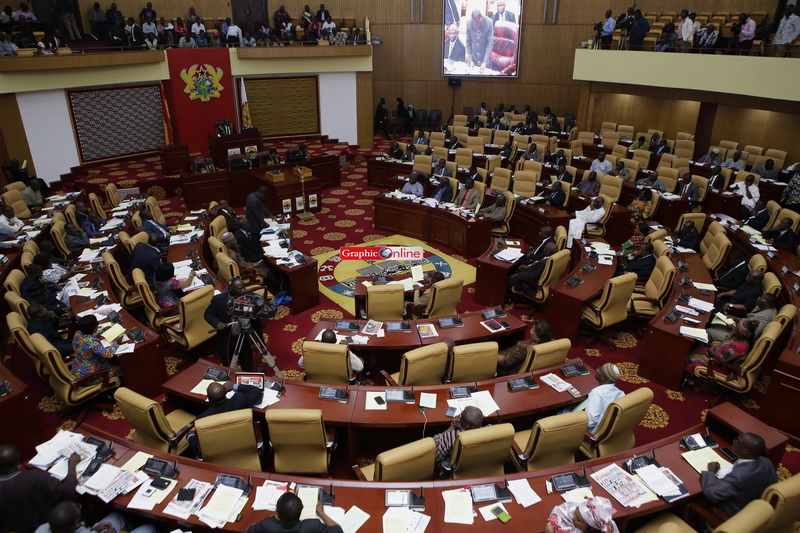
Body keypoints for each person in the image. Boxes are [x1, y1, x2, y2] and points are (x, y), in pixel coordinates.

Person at [0, 445, 80, 533]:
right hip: (42, 526)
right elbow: (67, 490)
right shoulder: (34, 477)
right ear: (18, 461)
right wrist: (72, 464)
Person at [700, 432, 778, 516]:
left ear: (746, 451)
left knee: (699, 497)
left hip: (735, 512)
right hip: (755, 504)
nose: (734, 441)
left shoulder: (738, 476)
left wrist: (711, 472)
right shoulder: (766, 462)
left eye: (738, 441)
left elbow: (712, 494)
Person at [204, 277, 261, 371]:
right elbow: (208, 314)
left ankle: (247, 376)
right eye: (240, 288)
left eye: (244, 287)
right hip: (227, 336)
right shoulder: (219, 300)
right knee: (227, 362)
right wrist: (217, 323)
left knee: (247, 360)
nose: (243, 290)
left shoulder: (249, 297)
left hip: (244, 335)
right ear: (231, 289)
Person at [247, 492, 343, 533]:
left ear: (277, 514)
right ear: (302, 508)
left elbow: (248, 530)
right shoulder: (312, 526)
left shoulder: (268, 525)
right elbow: (338, 530)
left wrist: (272, 519)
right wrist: (321, 513)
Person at [36, 501, 155, 533]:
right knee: (149, 528)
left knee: (117, 516)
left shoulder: (42, 529)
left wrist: (93, 529)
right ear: (77, 523)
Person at [707, 294, 777, 343]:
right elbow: (750, 320)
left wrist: (735, 328)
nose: (758, 299)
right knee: (716, 325)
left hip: (739, 339)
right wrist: (735, 318)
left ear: (767, 304)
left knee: (708, 331)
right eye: (759, 297)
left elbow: (751, 335)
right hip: (739, 330)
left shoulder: (764, 317)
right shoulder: (769, 308)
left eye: (761, 298)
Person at [432, 405, 484, 471]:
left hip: (457, 468)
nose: (458, 418)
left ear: (467, 425)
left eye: (460, 417)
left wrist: (451, 427)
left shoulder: (452, 436)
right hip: (479, 466)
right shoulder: (490, 432)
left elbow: (433, 450)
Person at [72, 315, 121, 381]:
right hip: (90, 377)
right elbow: (108, 354)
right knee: (121, 367)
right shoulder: (92, 341)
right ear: (95, 328)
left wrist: (102, 331)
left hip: (78, 370)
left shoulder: (78, 333)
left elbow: (89, 334)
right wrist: (116, 343)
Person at [299, 328, 364, 376]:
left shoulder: (310, 349)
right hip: (340, 382)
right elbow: (360, 368)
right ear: (335, 341)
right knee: (361, 359)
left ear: (321, 340)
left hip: (316, 379)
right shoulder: (343, 351)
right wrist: (347, 349)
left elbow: (300, 364)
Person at [581, 363, 624, 434]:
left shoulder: (597, 392)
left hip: (592, 433)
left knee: (564, 412)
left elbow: (590, 422)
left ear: (603, 378)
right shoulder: (620, 393)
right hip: (609, 432)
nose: (597, 369)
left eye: (600, 369)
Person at [545, 496, 620, 533]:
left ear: (589, 529)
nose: (573, 517)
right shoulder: (606, 523)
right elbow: (563, 509)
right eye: (576, 512)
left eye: (578, 519)